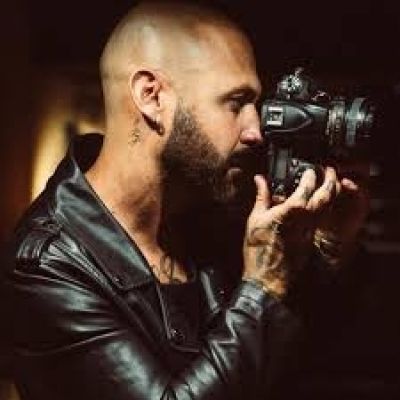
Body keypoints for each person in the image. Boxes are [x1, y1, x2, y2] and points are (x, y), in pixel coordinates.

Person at [2, 1, 368, 399]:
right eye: (235, 103)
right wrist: (262, 287)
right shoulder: (49, 265)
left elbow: (288, 367)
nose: (256, 130)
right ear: (152, 97)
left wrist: (327, 251)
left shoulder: (210, 219)